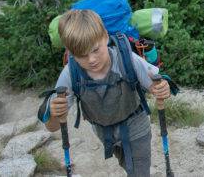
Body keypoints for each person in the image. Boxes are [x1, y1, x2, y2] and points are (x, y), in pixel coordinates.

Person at [43, 9, 171, 176]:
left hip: (136, 125)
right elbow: (52, 127)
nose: (91, 60)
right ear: (70, 52)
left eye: (96, 50)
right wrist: (54, 113)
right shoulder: (70, 73)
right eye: (81, 55)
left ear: (105, 36)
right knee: (129, 167)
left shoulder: (126, 58)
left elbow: (158, 88)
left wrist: (163, 88)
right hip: (105, 133)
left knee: (139, 172)